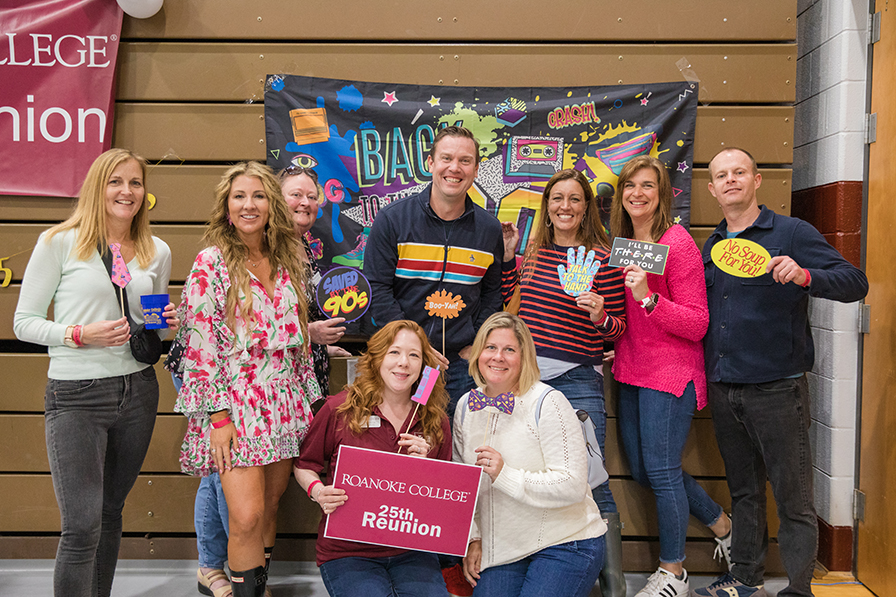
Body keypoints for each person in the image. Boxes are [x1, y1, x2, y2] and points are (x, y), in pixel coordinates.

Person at [693, 148, 868, 597]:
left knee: (793, 498)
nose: (730, 180)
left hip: (777, 388)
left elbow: (855, 282)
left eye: (739, 172)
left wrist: (806, 275)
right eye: (721, 176)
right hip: (724, 385)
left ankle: (798, 589)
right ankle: (746, 579)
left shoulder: (792, 233)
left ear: (756, 180)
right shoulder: (712, 247)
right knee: (745, 491)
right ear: (712, 189)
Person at [13, 148, 177, 597]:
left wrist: (166, 322)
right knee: (82, 526)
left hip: (139, 392)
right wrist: (79, 333)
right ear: (96, 188)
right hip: (76, 395)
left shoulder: (156, 250)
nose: (127, 192)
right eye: (115, 182)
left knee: (109, 514)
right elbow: (23, 323)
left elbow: (151, 319)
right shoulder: (59, 242)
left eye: (136, 183)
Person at [174, 161, 321, 597]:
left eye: (258, 195)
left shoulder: (289, 259)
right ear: (226, 206)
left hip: (283, 401)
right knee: (246, 516)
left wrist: (308, 402)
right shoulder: (211, 263)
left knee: (270, 508)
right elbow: (200, 346)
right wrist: (217, 418)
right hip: (234, 407)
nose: (249, 204)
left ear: (271, 204)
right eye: (239, 196)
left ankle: (254, 588)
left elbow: (298, 342)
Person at [609, 155, 732, 597]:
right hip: (631, 368)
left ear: (662, 195)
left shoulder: (676, 242)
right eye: (630, 186)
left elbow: (698, 323)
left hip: (670, 372)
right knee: (645, 471)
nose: (637, 194)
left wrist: (648, 299)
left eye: (648, 186)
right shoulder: (621, 241)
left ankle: (673, 571)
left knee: (660, 471)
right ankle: (720, 522)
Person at [500, 168, 627, 596]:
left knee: (593, 479)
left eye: (575, 199)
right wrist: (506, 260)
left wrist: (600, 315)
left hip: (578, 381)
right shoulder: (532, 254)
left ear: (587, 206)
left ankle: (614, 586)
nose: (565, 206)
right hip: (528, 382)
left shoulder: (603, 260)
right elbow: (507, 299)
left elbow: (617, 331)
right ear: (547, 206)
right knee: (534, 470)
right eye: (557, 198)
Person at [294, 320, 452, 597]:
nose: (403, 363)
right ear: (377, 357)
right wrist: (318, 491)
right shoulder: (339, 409)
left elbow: (444, 497)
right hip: (348, 551)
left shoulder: (434, 420)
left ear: (424, 367)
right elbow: (305, 465)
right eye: (394, 352)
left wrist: (428, 468)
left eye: (414, 355)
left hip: (411, 549)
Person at [454, 312, 607, 597]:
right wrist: (474, 538)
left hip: (565, 541)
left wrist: (505, 475)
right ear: (477, 354)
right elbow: (463, 485)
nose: (498, 357)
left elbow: (573, 486)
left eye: (509, 349)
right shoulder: (465, 406)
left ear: (524, 358)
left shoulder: (548, 402)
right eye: (490, 347)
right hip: (504, 548)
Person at [364, 126, 504, 415]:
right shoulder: (393, 220)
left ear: (476, 169)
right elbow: (376, 288)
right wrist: (415, 349)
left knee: (457, 451)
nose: (455, 168)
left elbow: (492, 294)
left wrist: (476, 342)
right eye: (446, 158)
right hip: (404, 366)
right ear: (430, 163)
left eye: (465, 161)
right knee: (403, 447)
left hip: (461, 368)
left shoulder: (489, 229)